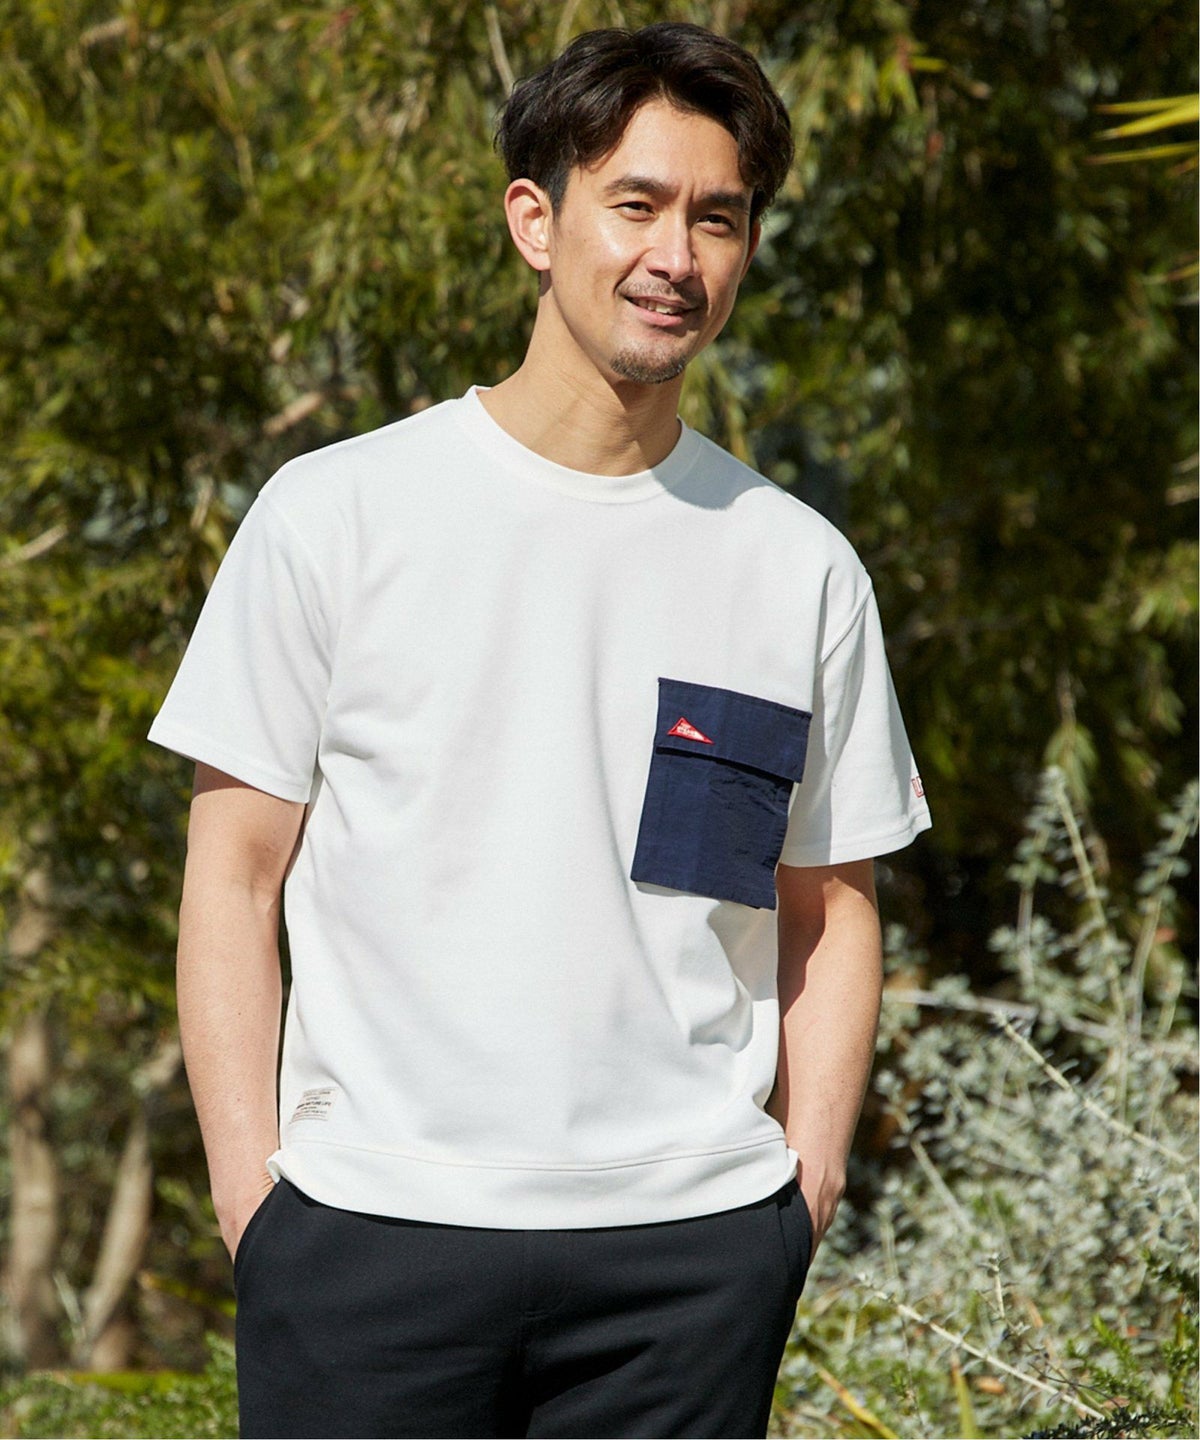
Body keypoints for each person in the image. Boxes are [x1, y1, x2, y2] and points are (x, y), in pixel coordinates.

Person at [149, 21, 930, 1440]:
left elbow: (827, 903)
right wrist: (254, 1200)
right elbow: (233, 877)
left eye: (717, 218)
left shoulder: (798, 567)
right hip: (368, 1238)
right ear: (535, 219)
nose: (675, 255)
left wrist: (799, 1193)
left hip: (688, 1265)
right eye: (636, 204)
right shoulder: (336, 516)